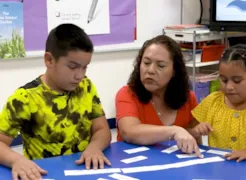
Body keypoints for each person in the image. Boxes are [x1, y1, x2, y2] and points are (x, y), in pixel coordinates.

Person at [0, 24, 112, 180]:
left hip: (85, 171)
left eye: (84, 67)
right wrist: (17, 160)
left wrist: (94, 148)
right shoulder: (25, 98)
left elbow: (102, 129)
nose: (79, 75)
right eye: (73, 67)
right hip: (45, 174)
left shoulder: (86, 87)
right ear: (49, 60)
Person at [115, 35, 203, 157]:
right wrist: (174, 131)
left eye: (160, 66)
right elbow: (129, 131)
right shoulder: (127, 94)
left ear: (174, 71)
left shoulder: (188, 98)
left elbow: (195, 144)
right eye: (146, 63)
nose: (150, 70)